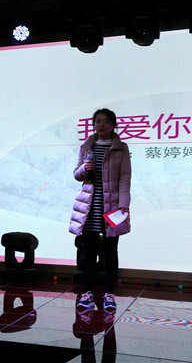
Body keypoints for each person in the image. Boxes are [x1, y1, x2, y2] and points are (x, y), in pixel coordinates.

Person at [70, 108, 131, 312]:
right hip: (90, 205)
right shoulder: (87, 146)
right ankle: (87, 293)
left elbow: (125, 177)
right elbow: (76, 175)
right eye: (98, 121)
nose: (101, 125)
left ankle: (109, 295)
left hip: (112, 205)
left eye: (105, 121)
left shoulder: (121, 148)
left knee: (111, 250)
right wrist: (84, 169)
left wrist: (124, 203)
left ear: (113, 125)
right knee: (88, 250)